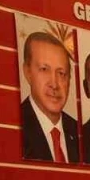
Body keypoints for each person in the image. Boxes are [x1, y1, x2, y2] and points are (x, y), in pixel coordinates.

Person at [19, 32, 80, 163]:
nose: (54, 84)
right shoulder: (13, 128)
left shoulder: (81, 133)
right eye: (44, 69)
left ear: (69, 80)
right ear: (27, 72)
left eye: (61, 73)